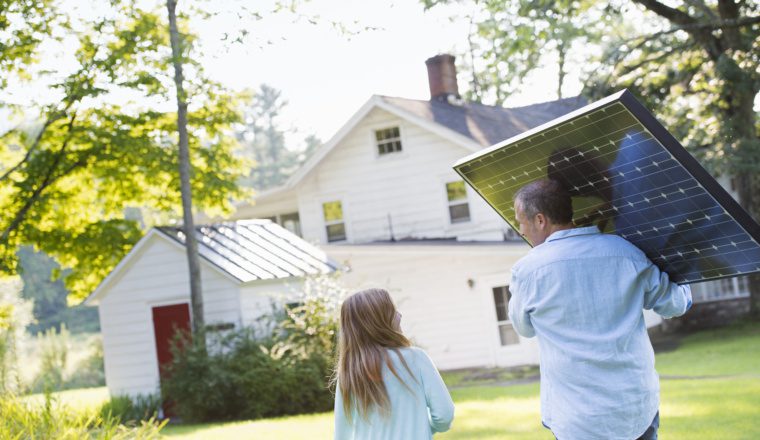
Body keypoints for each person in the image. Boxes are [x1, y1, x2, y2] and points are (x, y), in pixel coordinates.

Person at [509, 179, 692, 440]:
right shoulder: (627, 252)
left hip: (577, 419)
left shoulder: (527, 271)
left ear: (540, 220)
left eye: (521, 222)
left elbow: (523, 328)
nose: (521, 231)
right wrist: (686, 265)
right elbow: (675, 303)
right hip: (635, 410)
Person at [333, 288, 454, 440]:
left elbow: (341, 434)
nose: (399, 315)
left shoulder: (349, 372)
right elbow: (444, 414)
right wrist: (423, 428)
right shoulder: (416, 358)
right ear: (380, 322)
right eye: (393, 311)